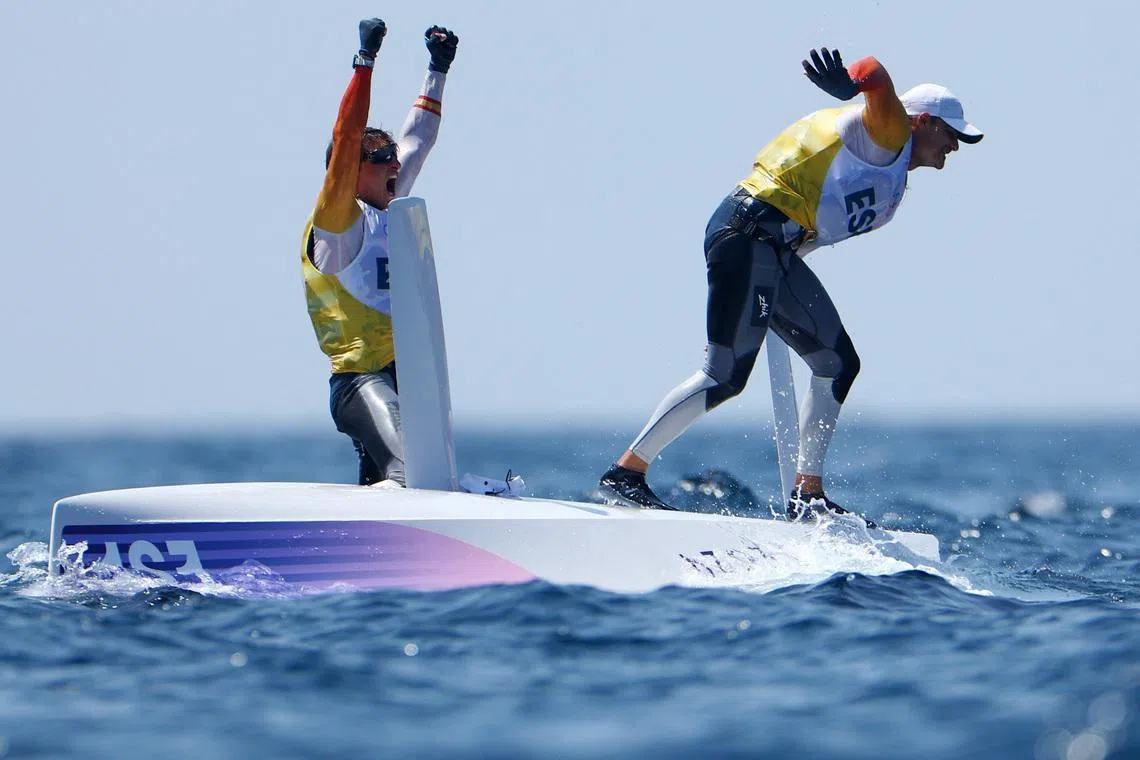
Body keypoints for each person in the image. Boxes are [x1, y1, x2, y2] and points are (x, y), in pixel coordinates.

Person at [599, 48, 982, 522]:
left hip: (773, 251)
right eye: (951, 134)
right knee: (725, 376)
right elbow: (874, 71)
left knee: (839, 363)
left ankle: (808, 495)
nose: (956, 147)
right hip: (746, 233)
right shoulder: (889, 132)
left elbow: (813, 228)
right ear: (922, 121)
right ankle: (625, 474)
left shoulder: (892, 171)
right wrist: (854, 83)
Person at [302, 18, 459, 486]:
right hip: (360, 383)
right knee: (413, 470)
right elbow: (347, 138)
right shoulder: (337, 223)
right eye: (382, 158)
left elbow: (419, 138)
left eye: (393, 156)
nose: (396, 162)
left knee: (391, 483)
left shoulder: (389, 204)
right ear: (351, 171)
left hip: (408, 382)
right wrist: (365, 62)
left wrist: (438, 68)